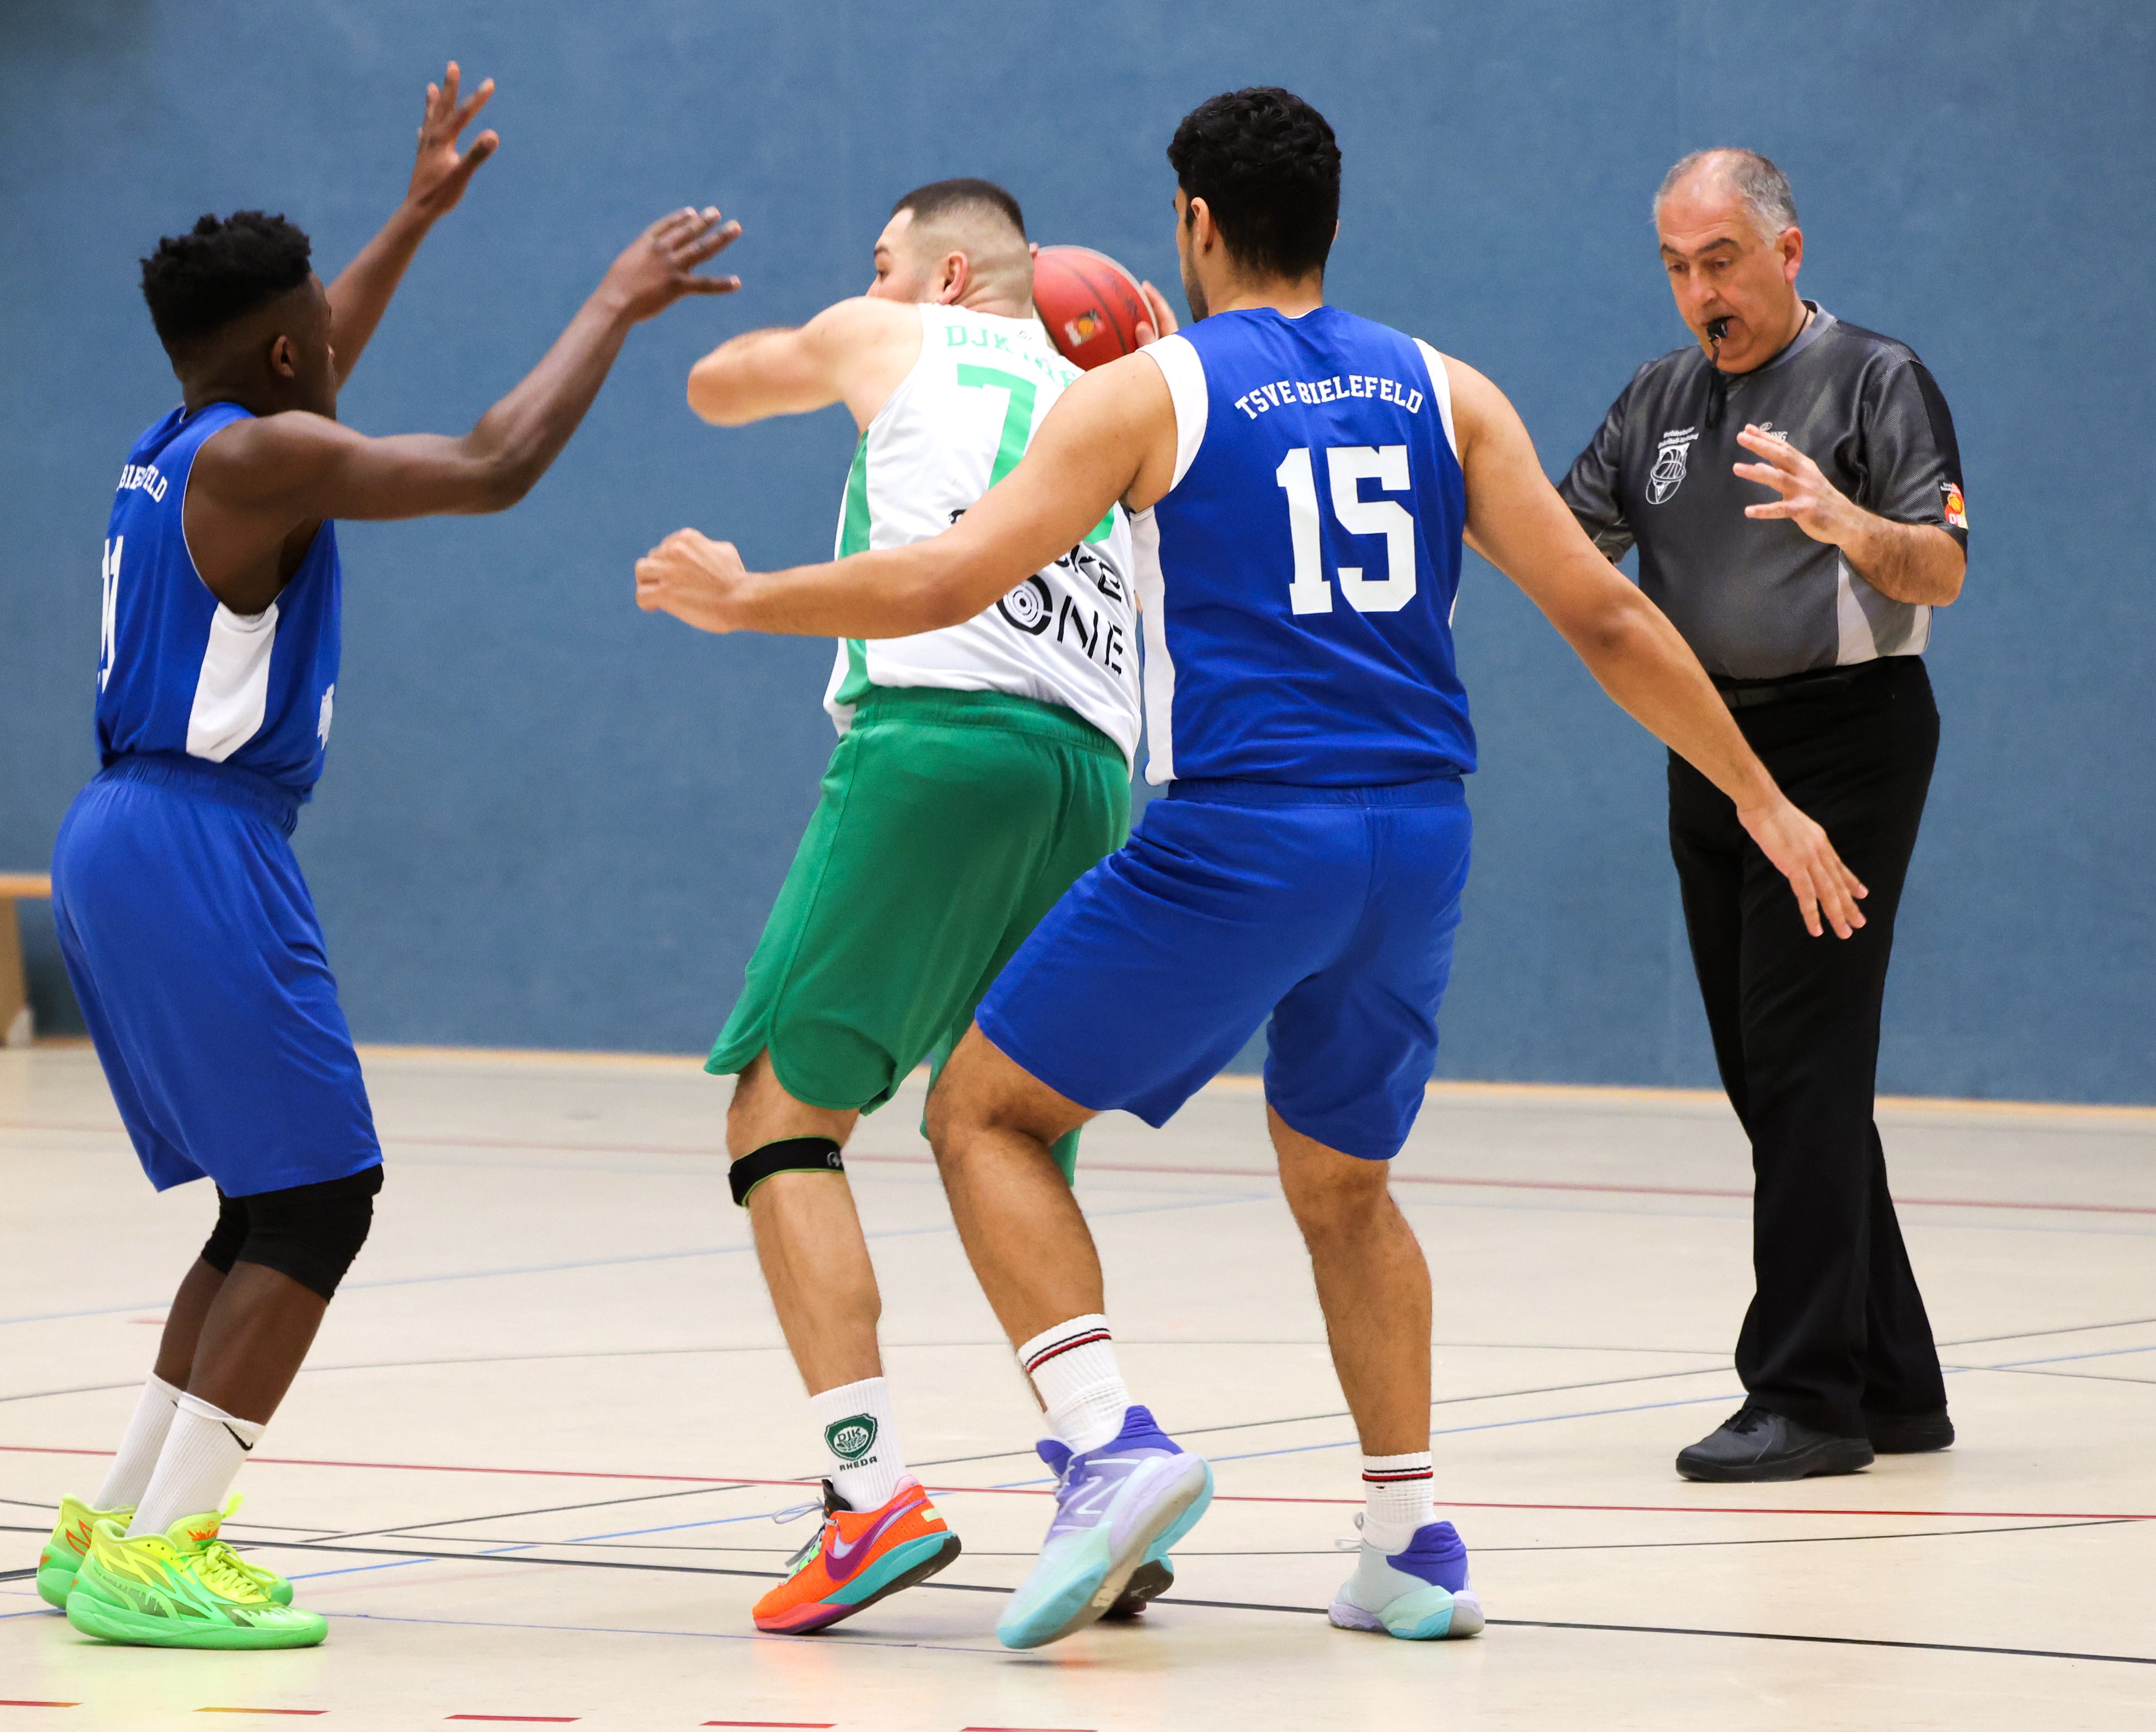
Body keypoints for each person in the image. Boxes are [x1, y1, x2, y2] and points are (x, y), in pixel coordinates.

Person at [636, 88, 1864, 1652]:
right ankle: (1409, 1541)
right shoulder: (1446, 387)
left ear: (1195, 222)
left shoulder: (1147, 392)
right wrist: (1762, 798)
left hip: (1247, 831)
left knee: (983, 1112)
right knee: (1344, 1183)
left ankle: (1106, 1449)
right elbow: (1610, 618)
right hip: (1416, 838)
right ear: (1328, 220)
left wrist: (750, 597)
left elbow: (947, 575)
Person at [38, 62, 739, 1650]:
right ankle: (165, 1551)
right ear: (286, 359)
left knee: (259, 1202)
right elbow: (492, 464)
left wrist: (415, 215)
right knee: (320, 1203)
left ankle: (116, 1529)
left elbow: (314, 348)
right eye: (317, 342)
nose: (335, 352)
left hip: (124, 831)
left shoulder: (182, 435)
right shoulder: (258, 461)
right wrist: (613, 304)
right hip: (198, 839)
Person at [679, 179, 1178, 1635]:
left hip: (936, 742)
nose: (871, 277)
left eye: (882, 257)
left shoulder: (891, 330)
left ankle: (867, 1494)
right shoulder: (1119, 397)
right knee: (1009, 1127)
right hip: (1092, 777)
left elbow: (719, 386)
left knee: (780, 1117)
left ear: (947, 275)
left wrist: (761, 329)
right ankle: (1104, 1470)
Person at [1558, 149, 1968, 1483]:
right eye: (1677, 268)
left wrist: (1847, 521)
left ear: (1787, 252)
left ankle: (1804, 1396)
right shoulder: (1656, 399)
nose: (1700, 294)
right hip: (1713, 746)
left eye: (1721, 262)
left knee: (1799, 1067)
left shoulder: (1877, 379)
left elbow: (1942, 569)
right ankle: (1893, 1382)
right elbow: (1561, 539)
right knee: (1776, 1074)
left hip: (1845, 743)